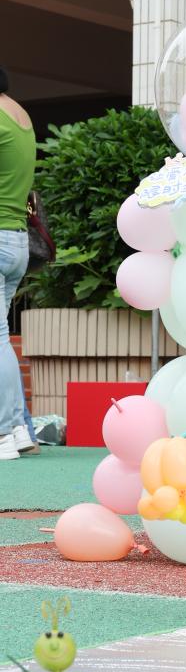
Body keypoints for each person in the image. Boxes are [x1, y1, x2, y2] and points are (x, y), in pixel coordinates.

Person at [0, 68, 37, 461]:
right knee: (2, 338)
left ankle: (3, 434)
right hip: (16, 240)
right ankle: (20, 429)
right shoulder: (20, 115)